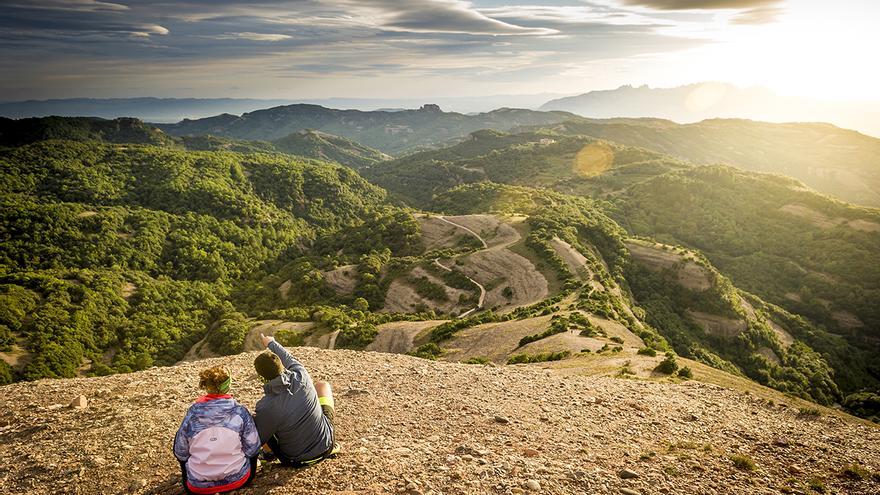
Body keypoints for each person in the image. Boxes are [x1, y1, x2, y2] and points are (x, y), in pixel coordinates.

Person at [253, 333, 338, 467]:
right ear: (281, 365)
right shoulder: (301, 374)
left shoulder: (266, 406)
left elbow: (257, 438)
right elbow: (288, 357)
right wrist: (271, 343)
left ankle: (269, 454)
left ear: (261, 377)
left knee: (258, 421)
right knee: (322, 386)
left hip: (295, 460)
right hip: (326, 446)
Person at [173, 366, 261, 494]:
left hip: (198, 487)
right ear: (228, 385)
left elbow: (180, 453)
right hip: (238, 480)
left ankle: (192, 476)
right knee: (252, 443)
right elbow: (253, 449)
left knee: (179, 438)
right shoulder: (239, 411)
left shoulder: (193, 414)